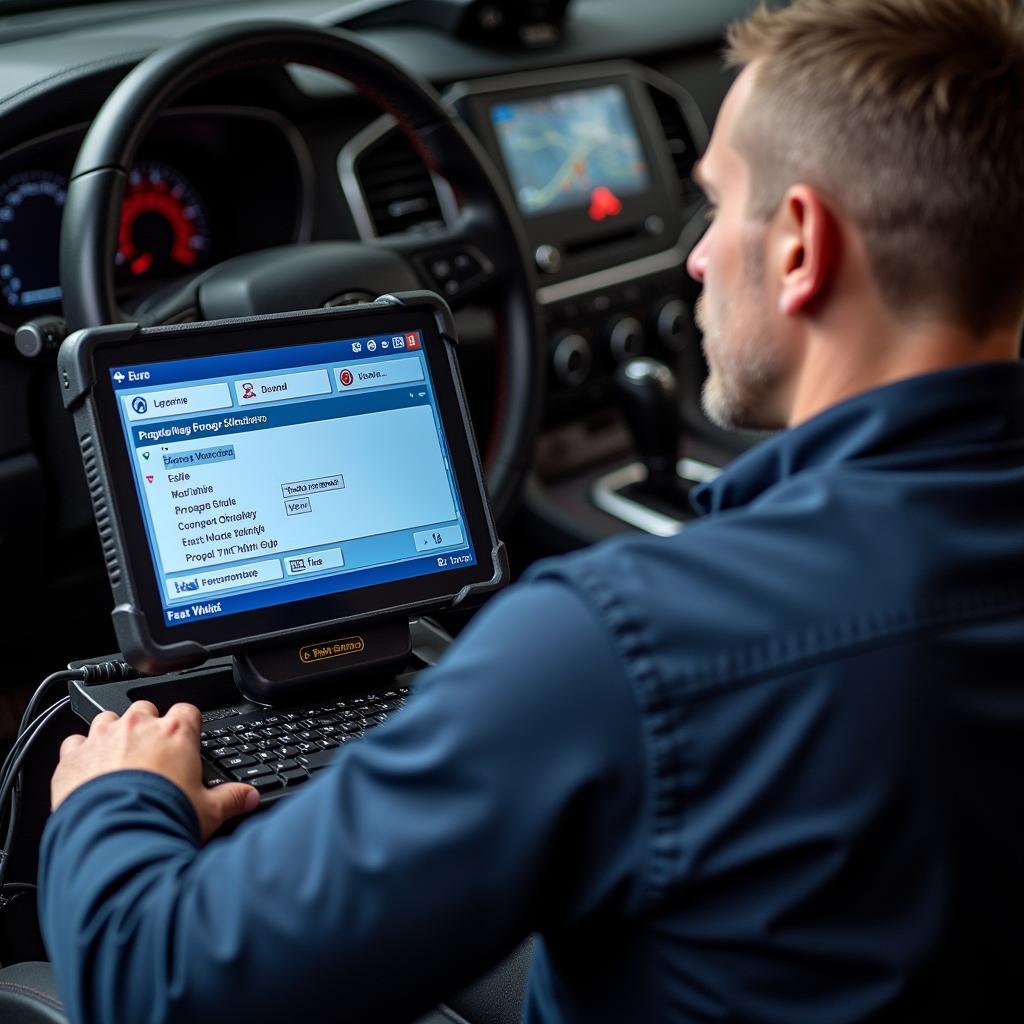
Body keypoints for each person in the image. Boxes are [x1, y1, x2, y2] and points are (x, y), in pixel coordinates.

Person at [40, 0, 1024, 1021]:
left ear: (798, 248)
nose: (691, 257)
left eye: (718, 207)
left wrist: (115, 798)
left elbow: (153, 983)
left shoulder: (618, 648)